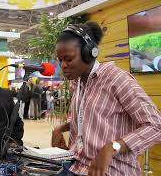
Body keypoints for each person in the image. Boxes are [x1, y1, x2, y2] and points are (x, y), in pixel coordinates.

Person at [52, 22, 161, 175]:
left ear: (89, 53)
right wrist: (61, 128)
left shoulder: (116, 79)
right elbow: (93, 118)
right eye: (60, 60)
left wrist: (113, 147)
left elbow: (156, 125)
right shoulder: (77, 82)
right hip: (77, 167)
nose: (63, 65)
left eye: (68, 59)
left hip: (112, 171)